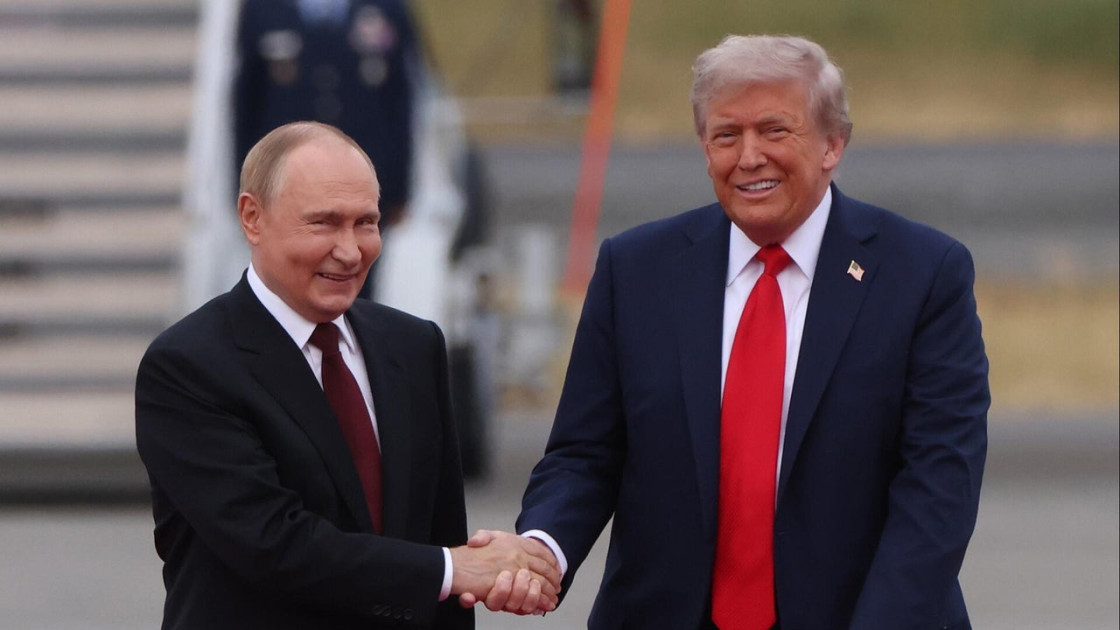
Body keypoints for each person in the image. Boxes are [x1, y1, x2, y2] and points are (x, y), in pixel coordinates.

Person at [496, 35, 990, 628]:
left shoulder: (922, 273)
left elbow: (939, 484)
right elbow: (584, 453)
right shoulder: (637, 270)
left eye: (775, 131)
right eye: (726, 136)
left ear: (834, 143)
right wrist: (542, 548)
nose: (749, 156)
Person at [135, 122, 559, 629]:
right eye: (324, 223)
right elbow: (272, 543)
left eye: (366, 222)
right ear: (252, 217)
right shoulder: (188, 366)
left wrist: (470, 568)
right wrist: (454, 568)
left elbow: (439, 533)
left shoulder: (414, 347)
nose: (351, 250)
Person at [233, 0, 420, 297]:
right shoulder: (262, 8)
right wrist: (245, 185)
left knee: (355, 282)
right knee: (288, 284)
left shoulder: (388, 8)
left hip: (364, 184)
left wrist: (401, 188)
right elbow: (246, 106)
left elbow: (401, 102)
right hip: (288, 185)